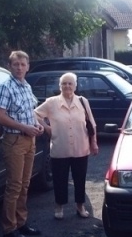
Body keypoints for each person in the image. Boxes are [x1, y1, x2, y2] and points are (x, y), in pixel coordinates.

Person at [0, 50, 45, 237]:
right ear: (10, 66)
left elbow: (30, 111)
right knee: (14, 186)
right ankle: (9, 229)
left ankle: (21, 223)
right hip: (14, 141)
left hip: (29, 140)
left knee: (25, 184)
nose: (20, 68)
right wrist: (24, 127)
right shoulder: (5, 87)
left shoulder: (26, 86)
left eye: (23, 64)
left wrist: (37, 125)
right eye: (16, 64)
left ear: (28, 66)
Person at [35, 73, 99, 220]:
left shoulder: (83, 101)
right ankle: (59, 206)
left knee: (80, 178)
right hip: (60, 147)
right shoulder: (52, 102)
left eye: (70, 83)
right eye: (64, 84)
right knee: (60, 179)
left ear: (75, 86)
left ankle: (80, 206)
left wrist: (93, 142)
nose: (67, 86)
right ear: (60, 86)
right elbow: (35, 114)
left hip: (80, 147)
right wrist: (46, 127)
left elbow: (91, 123)